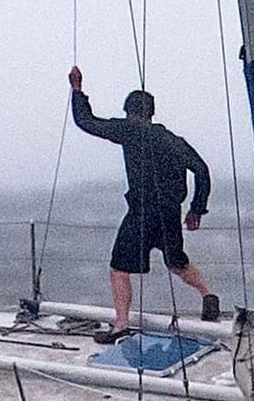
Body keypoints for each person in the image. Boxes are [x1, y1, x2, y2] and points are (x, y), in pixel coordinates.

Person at [68, 66, 220, 341]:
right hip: (170, 212)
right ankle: (208, 295)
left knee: (118, 268)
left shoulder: (129, 129)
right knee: (176, 262)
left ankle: (121, 325)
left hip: (142, 212)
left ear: (129, 112)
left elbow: (86, 122)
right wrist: (197, 209)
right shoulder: (172, 139)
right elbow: (201, 169)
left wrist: (77, 90)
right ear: (152, 113)